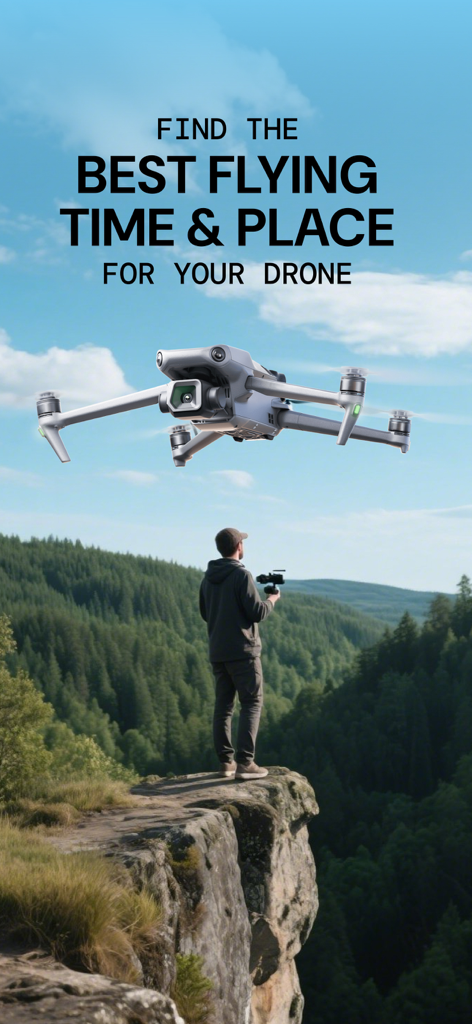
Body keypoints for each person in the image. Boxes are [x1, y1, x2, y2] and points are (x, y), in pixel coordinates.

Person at [199, 527, 280, 779]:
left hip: (218, 651)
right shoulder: (241, 575)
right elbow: (257, 612)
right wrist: (272, 600)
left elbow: (205, 613)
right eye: (242, 542)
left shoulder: (207, 578)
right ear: (238, 547)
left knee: (223, 707)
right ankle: (246, 763)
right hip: (244, 652)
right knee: (252, 703)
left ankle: (226, 763)